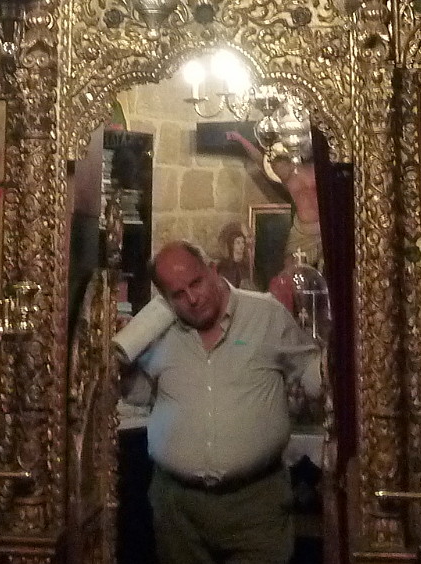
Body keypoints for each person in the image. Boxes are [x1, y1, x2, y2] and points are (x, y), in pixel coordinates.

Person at [115, 242, 322, 564]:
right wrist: (124, 370)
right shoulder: (158, 332)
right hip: (177, 509)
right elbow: (142, 394)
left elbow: (312, 373)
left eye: (196, 282)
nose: (192, 298)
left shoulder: (265, 315)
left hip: (255, 506)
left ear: (211, 269)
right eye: (178, 294)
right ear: (164, 299)